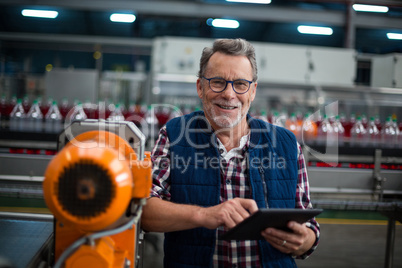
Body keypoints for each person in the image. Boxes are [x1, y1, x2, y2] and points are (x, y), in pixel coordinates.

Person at [141, 38, 320, 268]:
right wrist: (205, 215)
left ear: (252, 91)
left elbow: (310, 228)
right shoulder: (175, 135)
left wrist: (304, 240)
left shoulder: (286, 144)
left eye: (240, 84)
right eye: (217, 82)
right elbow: (144, 210)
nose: (228, 93)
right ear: (200, 87)